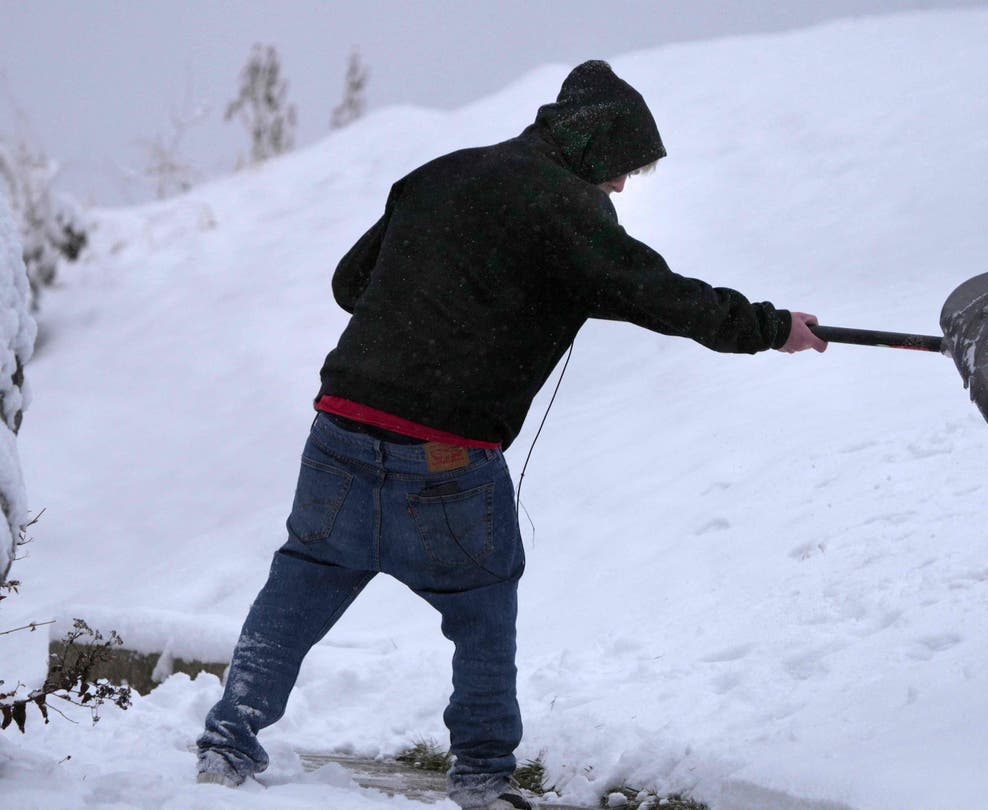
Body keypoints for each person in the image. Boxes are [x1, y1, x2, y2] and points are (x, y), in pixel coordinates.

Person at [195, 59, 826, 810]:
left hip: (340, 431)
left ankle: (227, 747)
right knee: (483, 605)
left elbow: (349, 285)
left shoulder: (440, 174)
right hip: (446, 455)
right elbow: (661, 296)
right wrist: (771, 327)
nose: (622, 187)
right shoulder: (568, 211)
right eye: (623, 169)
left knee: (300, 584)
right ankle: (484, 778)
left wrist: (445, 285)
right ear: (595, 147)